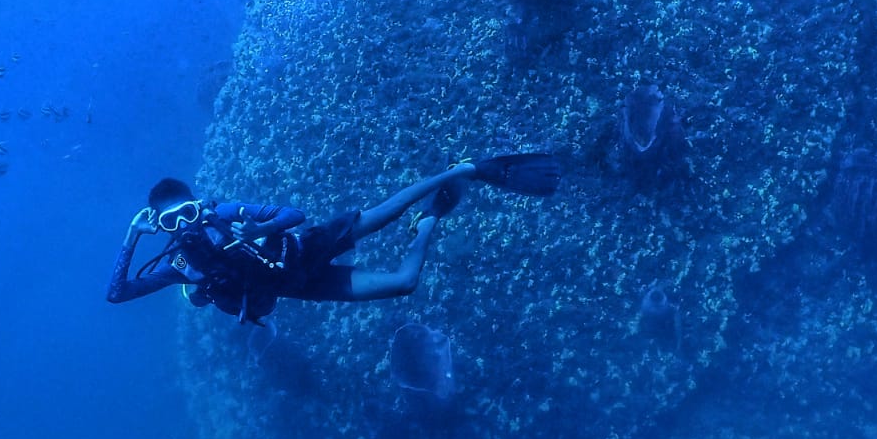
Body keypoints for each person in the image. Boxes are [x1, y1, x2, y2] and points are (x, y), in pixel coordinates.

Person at [106, 154, 560, 324]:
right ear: (158, 229)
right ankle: (430, 221)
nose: (184, 227)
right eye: (170, 224)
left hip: (306, 246)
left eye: (187, 213)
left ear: (198, 204)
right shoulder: (178, 268)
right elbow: (117, 294)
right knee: (405, 283)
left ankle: (463, 169)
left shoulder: (220, 214)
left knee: (387, 210)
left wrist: (259, 229)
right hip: (301, 286)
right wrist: (130, 238)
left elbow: (293, 215)